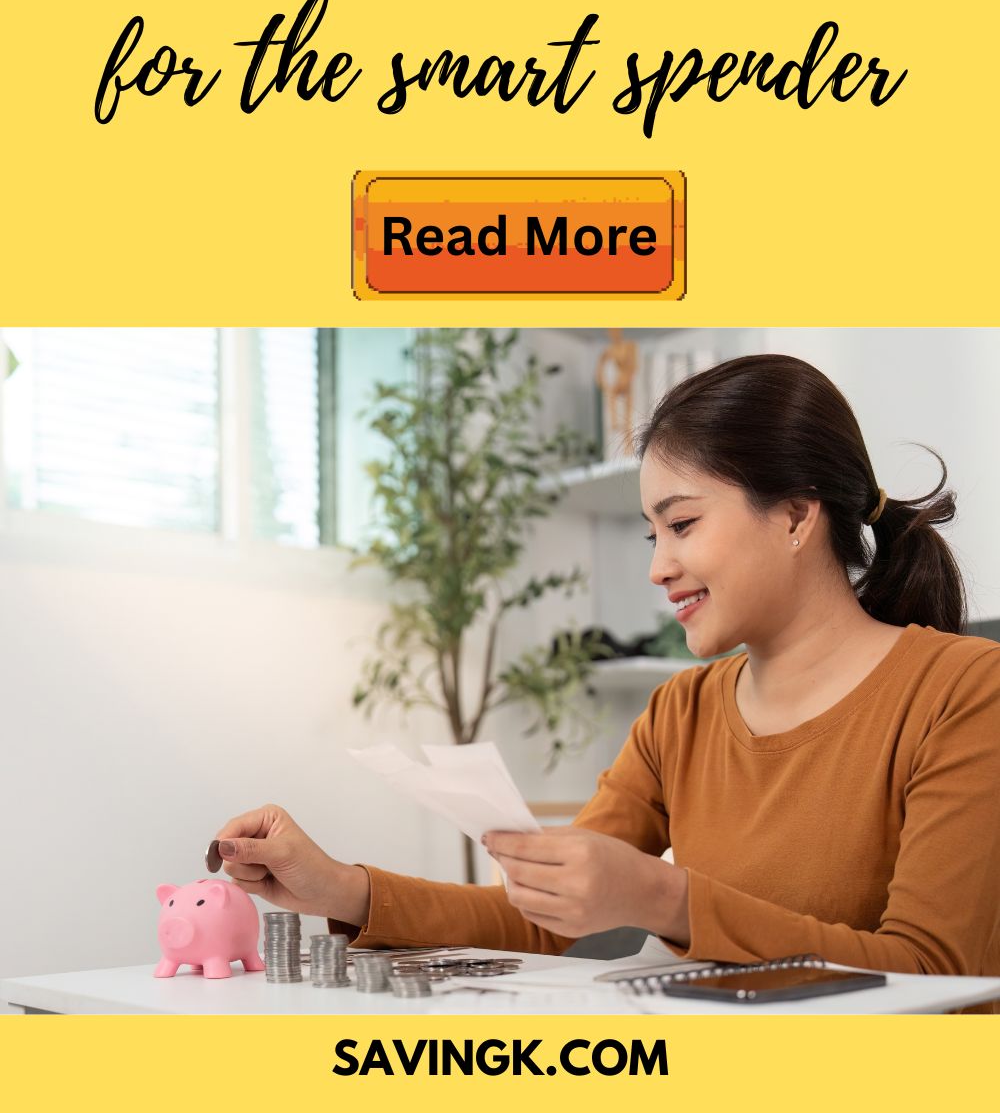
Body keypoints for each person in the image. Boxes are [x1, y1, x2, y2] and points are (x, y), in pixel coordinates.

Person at [215, 354, 1000, 1009]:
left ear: (797, 516)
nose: (658, 566)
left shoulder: (965, 691)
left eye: (683, 524)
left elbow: (933, 973)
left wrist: (665, 899)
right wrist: (337, 888)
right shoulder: (682, 712)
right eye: (651, 532)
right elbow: (542, 920)